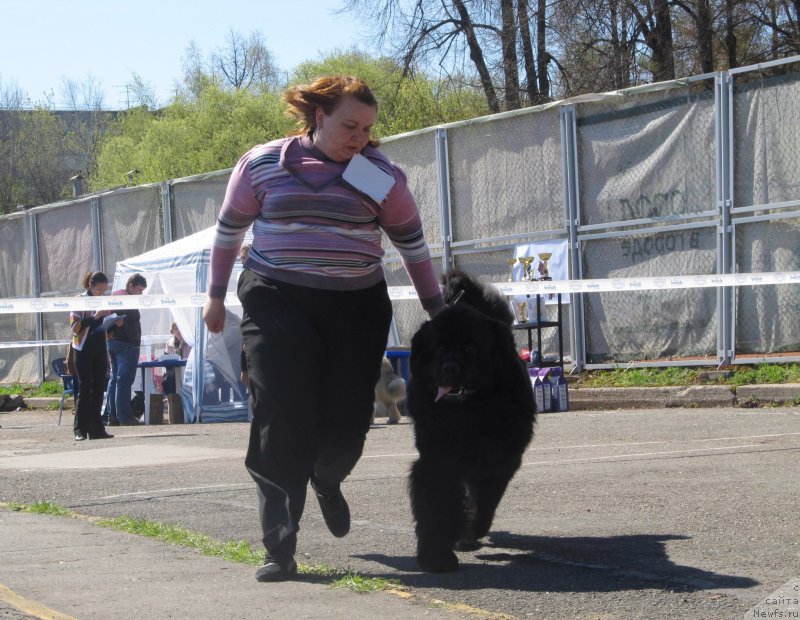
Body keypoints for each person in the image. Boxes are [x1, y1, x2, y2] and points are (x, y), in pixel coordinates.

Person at [202, 75, 445, 582]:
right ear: (318, 116)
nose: (360, 136)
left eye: (368, 128)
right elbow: (229, 231)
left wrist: (437, 309)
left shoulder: (378, 175)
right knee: (280, 411)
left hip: (355, 307)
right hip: (276, 298)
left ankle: (327, 478)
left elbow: (412, 245)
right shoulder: (264, 163)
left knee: (347, 423)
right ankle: (280, 546)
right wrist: (214, 295)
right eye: (350, 125)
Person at [70, 271, 115, 441]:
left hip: (99, 347)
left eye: (104, 290)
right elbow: (74, 327)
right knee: (84, 388)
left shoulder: (104, 301)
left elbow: (106, 326)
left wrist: (114, 323)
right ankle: (80, 429)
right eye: (99, 290)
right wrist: (96, 316)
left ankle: (97, 429)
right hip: (82, 348)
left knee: (98, 389)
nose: (101, 293)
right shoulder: (79, 300)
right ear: (90, 285)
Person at [105, 274, 147, 426]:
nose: (140, 293)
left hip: (112, 342)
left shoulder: (115, 296)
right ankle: (124, 417)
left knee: (114, 380)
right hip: (126, 345)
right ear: (130, 286)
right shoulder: (127, 300)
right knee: (124, 381)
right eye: (139, 290)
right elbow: (129, 325)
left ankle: (113, 416)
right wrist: (135, 341)